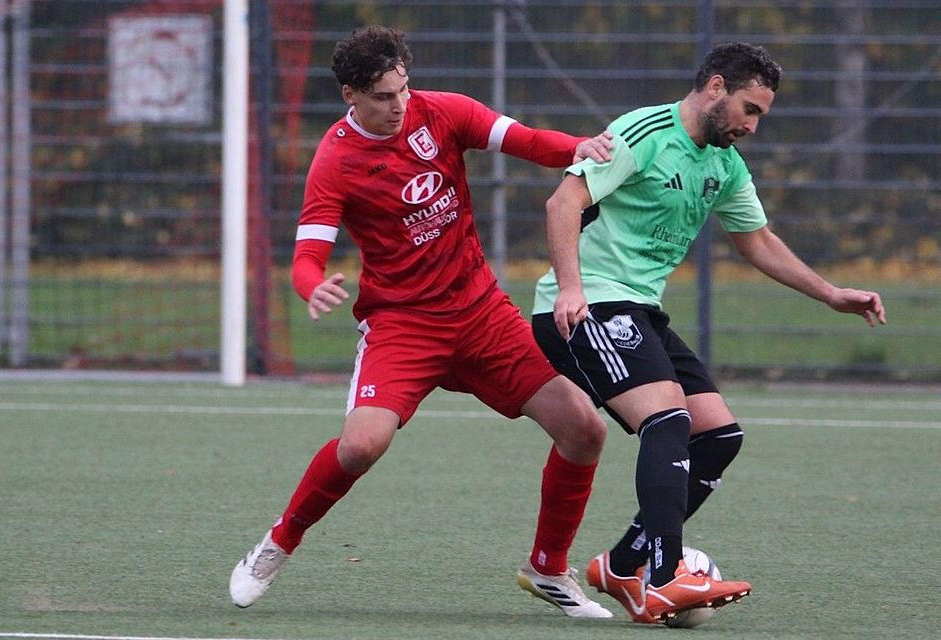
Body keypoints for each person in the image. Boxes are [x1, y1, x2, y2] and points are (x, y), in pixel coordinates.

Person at [229, 25, 619, 618]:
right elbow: (306, 255)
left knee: (585, 430)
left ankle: (547, 569)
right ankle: (279, 542)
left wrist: (576, 147)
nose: (399, 105)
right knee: (361, 446)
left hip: (482, 312)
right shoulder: (335, 159)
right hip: (403, 325)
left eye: (403, 89)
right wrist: (314, 285)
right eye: (384, 96)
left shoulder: (442, 113)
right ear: (350, 95)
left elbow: (525, 140)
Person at [531, 42, 886, 623]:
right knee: (668, 420)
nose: (752, 125)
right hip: (586, 304)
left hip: (640, 309)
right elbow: (563, 201)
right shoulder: (645, 131)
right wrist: (572, 287)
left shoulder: (723, 164)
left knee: (718, 436)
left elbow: (758, 240)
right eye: (750, 109)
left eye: (760, 116)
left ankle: (624, 563)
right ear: (716, 87)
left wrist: (830, 293)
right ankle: (663, 579)